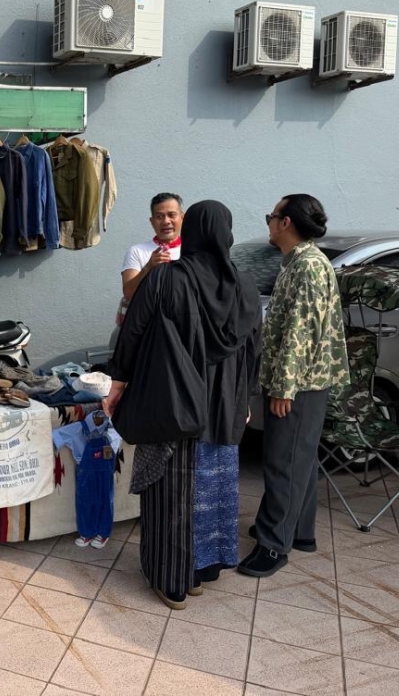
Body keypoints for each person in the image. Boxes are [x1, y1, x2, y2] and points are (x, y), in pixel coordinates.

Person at [104, 201, 261, 610]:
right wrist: (245, 398)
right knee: (214, 489)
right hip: (223, 406)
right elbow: (253, 351)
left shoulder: (166, 279)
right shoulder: (244, 286)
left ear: (190, 232)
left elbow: (132, 333)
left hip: (172, 402)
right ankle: (201, 573)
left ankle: (172, 580)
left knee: (172, 491)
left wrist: (117, 383)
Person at [239, 194, 348, 578]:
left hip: (298, 385)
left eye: (271, 215)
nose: (268, 221)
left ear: (285, 223)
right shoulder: (301, 261)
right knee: (299, 460)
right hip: (304, 382)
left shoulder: (307, 266)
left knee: (283, 462)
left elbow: (300, 333)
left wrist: (284, 388)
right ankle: (299, 531)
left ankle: (273, 546)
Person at [109, 193, 184, 348]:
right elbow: (128, 292)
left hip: (182, 331)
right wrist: (148, 267)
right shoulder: (138, 251)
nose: (166, 221)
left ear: (182, 217)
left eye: (172, 215)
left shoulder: (192, 251)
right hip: (146, 335)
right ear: (152, 221)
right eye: (159, 216)